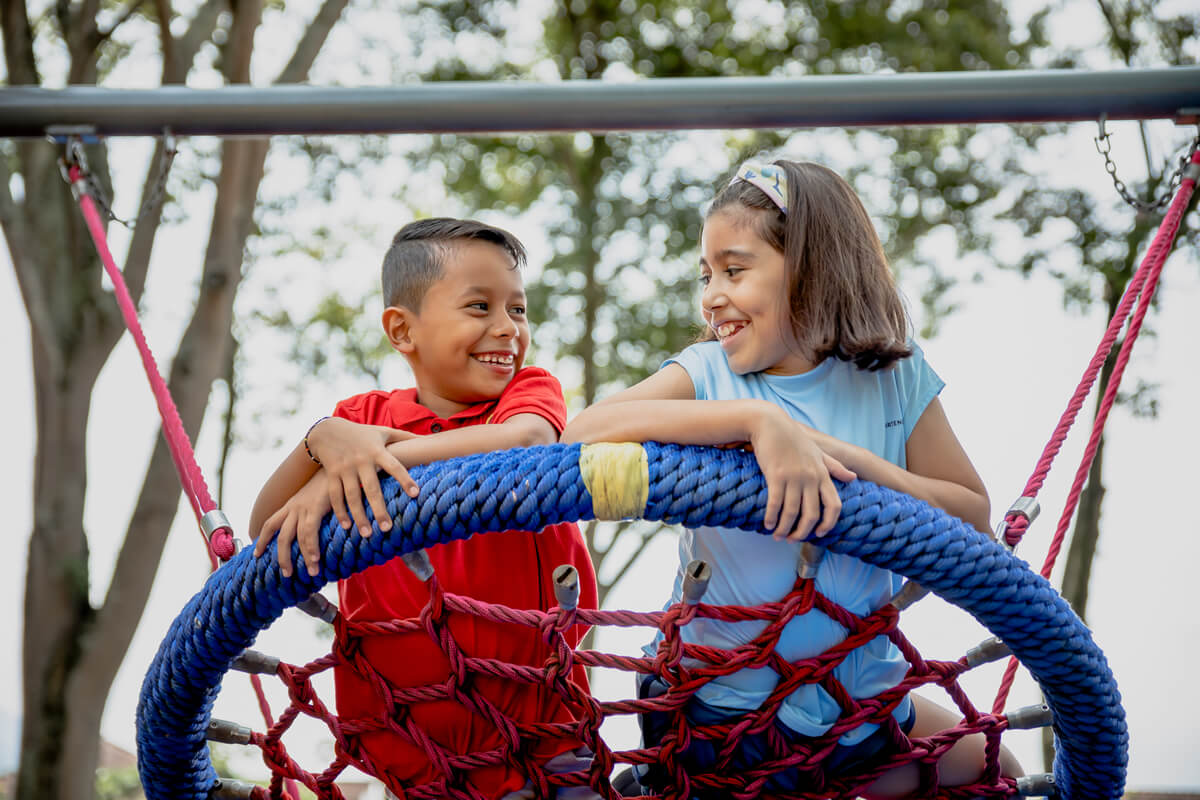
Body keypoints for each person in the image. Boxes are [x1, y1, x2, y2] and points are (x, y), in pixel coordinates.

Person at [561, 160, 1021, 797]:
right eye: (706, 274)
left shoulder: (894, 377)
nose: (711, 294)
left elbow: (970, 515)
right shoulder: (710, 376)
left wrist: (847, 459)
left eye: (735, 269)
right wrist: (756, 420)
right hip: (719, 714)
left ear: (809, 267)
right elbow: (581, 432)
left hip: (859, 706)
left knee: (998, 776)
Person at [250, 218, 600, 800]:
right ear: (402, 330)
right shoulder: (359, 418)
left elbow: (528, 443)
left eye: (518, 310)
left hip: (545, 746)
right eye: (479, 306)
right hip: (414, 753)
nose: (506, 328)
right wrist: (320, 441)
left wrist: (377, 454)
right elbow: (268, 526)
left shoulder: (524, 396)